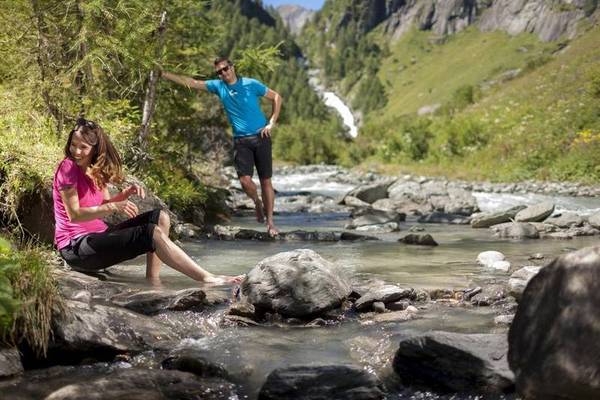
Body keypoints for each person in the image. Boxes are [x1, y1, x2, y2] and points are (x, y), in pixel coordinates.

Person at [53, 118, 242, 285]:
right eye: (73, 144)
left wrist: (125, 195)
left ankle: (152, 280)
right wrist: (114, 206)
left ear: (95, 149)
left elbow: (102, 205)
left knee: (160, 218)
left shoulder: (96, 169)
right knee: (150, 233)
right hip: (76, 247)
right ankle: (206, 278)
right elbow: (75, 214)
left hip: (97, 238)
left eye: (83, 147)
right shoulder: (67, 167)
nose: (76, 151)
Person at [162, 57, 282, 237]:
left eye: (225, 69)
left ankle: (270, 222)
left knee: (266, 181)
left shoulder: (251, 84)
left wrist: (271, 122)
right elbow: (192, 83)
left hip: (261, 137)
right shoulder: (219, 86)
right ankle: (256, 202)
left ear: (232, 67)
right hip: (241, 141)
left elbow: (276, 97)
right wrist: (164, 74)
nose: (223, 73)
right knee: (245, 181)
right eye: (219, 71)